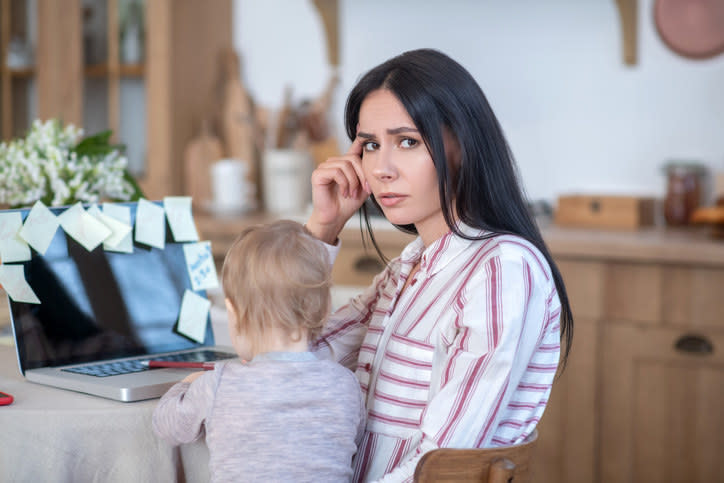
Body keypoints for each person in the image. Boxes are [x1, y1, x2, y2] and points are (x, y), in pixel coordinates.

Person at [305, 48, 574, 482]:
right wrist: (323, 227)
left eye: (407, 141)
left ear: (463, 147)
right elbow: (292, 357)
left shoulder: (501, 270)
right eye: (371, 145)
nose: (382, 169)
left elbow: (444, 460)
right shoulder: (408, 269)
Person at [152, 220, 367, 482]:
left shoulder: (218, 383)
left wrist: (187, 384)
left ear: (233, 312)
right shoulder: (346, 384)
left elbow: (167, 426)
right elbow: (351, 442)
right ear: (325, 310)